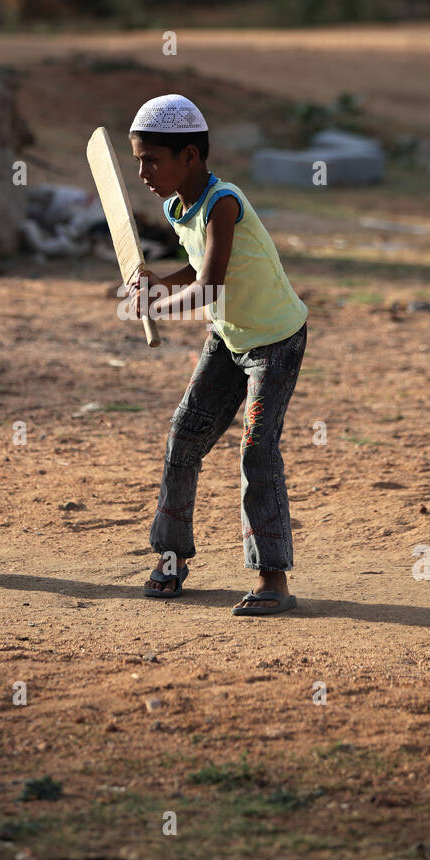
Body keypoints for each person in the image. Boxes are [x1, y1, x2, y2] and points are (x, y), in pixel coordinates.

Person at [127, 94, 308, 616]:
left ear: (190, 156)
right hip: (229, 341)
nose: (142, 172)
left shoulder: (222, 201)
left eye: (152, 160)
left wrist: (159, 303)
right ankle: (171, 556)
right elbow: (199, 264)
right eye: (138, 160)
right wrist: (162, 283)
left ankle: (273, 579)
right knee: (184, 437)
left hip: (275, 341)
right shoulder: (176, 206)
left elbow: (209, 287)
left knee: (257, 447)